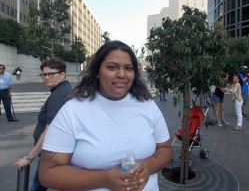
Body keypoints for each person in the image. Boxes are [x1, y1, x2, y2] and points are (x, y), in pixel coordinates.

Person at [39, 40, 172, 191]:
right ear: (97, 72)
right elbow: (48, 174)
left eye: (128, 68)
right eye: (112, 67)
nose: (121, 74)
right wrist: (105, 179)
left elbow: (165, 149)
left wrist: (148, 166)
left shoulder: (147, 105)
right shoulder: (72, 111)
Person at [15, 58, 73, 191]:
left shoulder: (60, 95)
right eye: (44, 74)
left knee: (37, 187)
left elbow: (49, 130)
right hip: (51, 151)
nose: (46, 77)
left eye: (50, 74)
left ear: (62, 74)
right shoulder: (61, 91)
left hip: (51, 152)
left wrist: (29, 158)